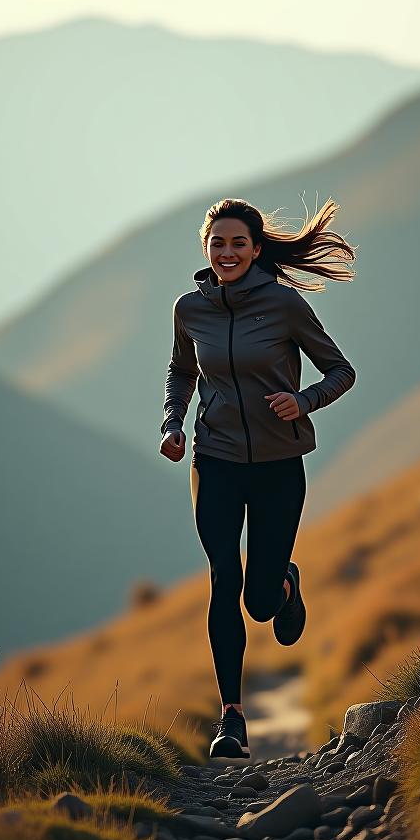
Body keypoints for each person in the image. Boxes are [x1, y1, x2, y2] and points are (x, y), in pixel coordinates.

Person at [159, 196, 358, 759]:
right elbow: (181, 371)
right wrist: (173, 424)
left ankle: (284, 584)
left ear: (256, 249)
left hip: (277, 466)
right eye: (217, 243)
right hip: (214, 460)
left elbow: (341, 370)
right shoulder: (189, 309)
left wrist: (304, 401)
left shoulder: (285, 305)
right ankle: (232, 720)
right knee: (224, 575)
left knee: (260, 603)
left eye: (237, 243)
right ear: (206, 248)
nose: (226, 252)